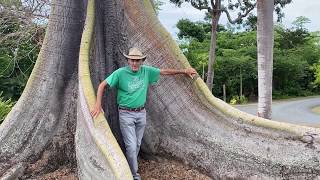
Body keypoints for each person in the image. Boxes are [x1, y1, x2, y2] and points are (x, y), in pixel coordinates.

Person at [91, 47, 197, 180]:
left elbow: (164, 71)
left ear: (142, 61)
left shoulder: (146, 71)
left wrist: (184, 71)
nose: (135, 63)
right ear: (128, 60)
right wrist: (97, 104)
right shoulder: (120, 73)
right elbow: (102, 85)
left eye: (137, 60)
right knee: (131, 145)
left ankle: (128, 167)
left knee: (137, 145)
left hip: (141, 113)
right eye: (132, 60)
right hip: (126, 114)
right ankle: (134, 175)